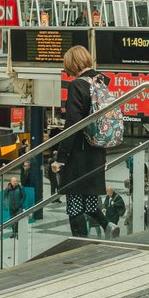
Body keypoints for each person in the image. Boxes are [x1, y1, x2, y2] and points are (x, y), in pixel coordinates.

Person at [58, 45, 111, 234]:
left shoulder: (77, 85)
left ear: (72, 63)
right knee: (89, 202)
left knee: (74, 204)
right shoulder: (101, 81)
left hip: (78, 154)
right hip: (97, 152)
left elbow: (73, 124)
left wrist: (61, 157)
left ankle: (79, 242)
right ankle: (107, 225)